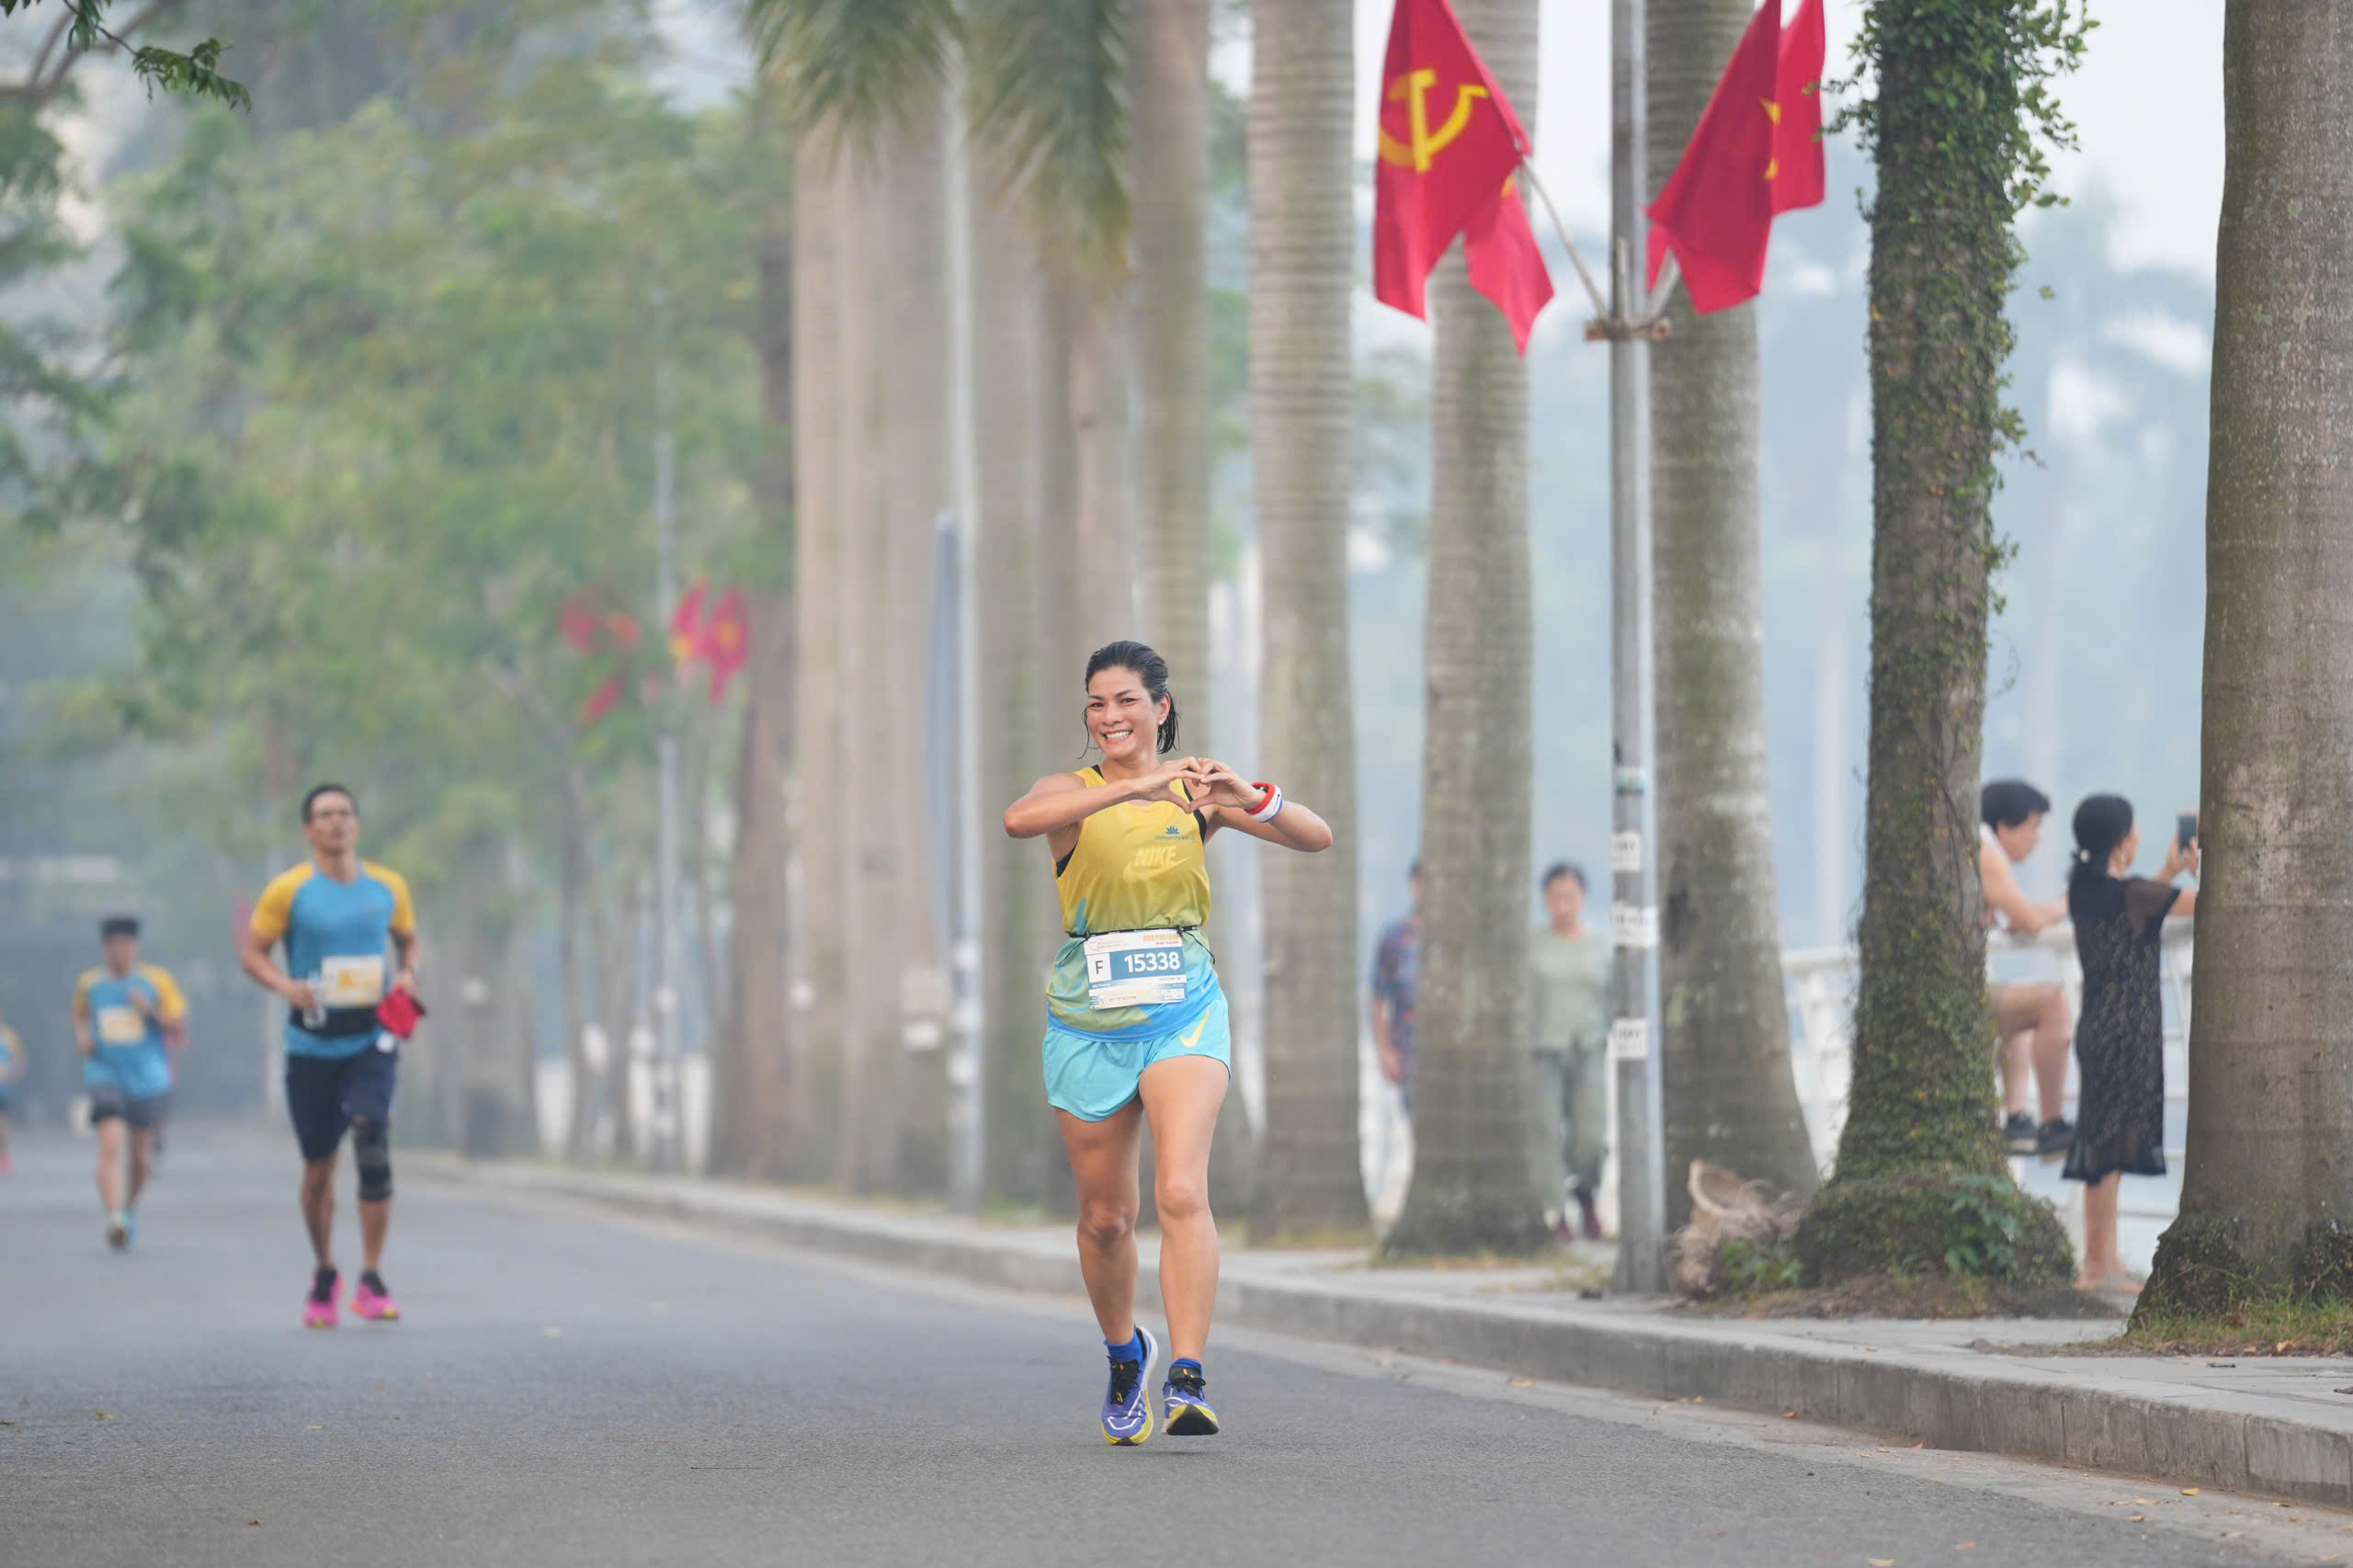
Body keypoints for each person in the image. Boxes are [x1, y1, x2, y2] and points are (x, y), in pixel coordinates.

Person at [1003, 640, 1333, 1446]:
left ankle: (1188, 1374)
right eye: (1096, 702)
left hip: (1183, 1007)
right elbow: (1019, 821)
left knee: (1182, 1191)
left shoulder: (1195, 794)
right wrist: (1139, 786)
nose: (1109, 716)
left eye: (1125, 700)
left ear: (1161, 706)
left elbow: (1314, 836)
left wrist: (1246, 794)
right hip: (1087, 1018)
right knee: (1108, 1218)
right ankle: (1126, 1355)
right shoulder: (1070, 794)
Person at [241, 782, 420, 1328]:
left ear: (357, 825)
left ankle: (371, 1277)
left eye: (345, 813)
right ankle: (325, 1271)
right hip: (312, 1044)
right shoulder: (289, 891)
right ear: (309, 830)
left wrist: (409, 973)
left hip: (373, 1038)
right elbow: (253, 953)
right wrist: (284, 986)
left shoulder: (388, 886)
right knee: (319, 1170)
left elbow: (407, 938)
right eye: (325, 815)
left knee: (371, 1137)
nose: (337, 822)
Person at [2063, 793, 2196, 1295]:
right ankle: (2101, 1265)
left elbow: (2137, 905)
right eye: (2134, 829)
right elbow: (2197, 904)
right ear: (2122, 840)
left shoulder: (2084, 890)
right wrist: (2198, 866)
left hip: (2097, 1029)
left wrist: (2166, 867)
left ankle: (2101, 1261)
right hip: (2128, 1035)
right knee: (2109, 1153)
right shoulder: (2131, 895)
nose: (2138, 835)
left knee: (2103, 1146)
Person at [71, 915, 188, 1249]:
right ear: (104, 948)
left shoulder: (156, 981)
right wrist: (82, 1037)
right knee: (109, 1143)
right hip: (105, 1074)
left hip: (148, 1077)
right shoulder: (90, 984)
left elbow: (178, 1025)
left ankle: (128, 1209)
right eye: (113, 944)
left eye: (125, 944)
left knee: (141, 1157)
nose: (119, 951)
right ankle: (114, 1217)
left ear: (135, 947)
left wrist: (148, 1010)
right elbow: (79, 1013)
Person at [1979, 779, 2075, 1158]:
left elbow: (2016, 919)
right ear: (2004, 825)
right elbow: (2029, 920)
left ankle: (2017, 1122)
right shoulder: (1984, 852)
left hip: (1950, 986)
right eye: (2032, 826)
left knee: (2017, 1011)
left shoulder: (1981, 850)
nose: (2037, 839)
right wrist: (2070, 902)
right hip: (1950, 991)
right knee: (2050, 1004)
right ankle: (2052, 1125)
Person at [1530, 862, 1611, 1242]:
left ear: (1584, 898)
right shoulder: (1534, 944)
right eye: (1556, 896)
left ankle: (1587, 1190)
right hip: (1544, 1049)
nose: (1564, 904)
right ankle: (1556, 1212)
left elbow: (1613, 996)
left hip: (1589, 1047)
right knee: (1547, 1132)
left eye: (1571, 896)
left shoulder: (1602, 946)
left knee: (1591, 1133)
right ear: (1546, 900)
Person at [1370, 862, 1421, 1117]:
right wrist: (1385, 1051)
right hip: (1407, 1048)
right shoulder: (1393, 937)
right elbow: (1378, 999)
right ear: (1414, 884)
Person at [0, 1005, 22, 1176]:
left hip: (3, 1089)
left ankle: (4, 1156)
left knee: (3, 1125)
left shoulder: (9, 1036)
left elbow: (19, 1062)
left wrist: (11, 1073)